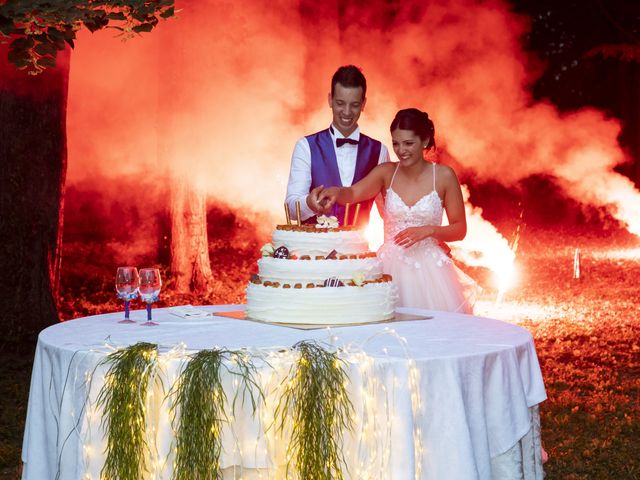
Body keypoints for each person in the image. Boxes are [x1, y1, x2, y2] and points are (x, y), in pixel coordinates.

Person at [319, 108, 477, 313]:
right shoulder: (386, 172)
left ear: (425, 140)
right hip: (389, 266)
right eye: (396, 143)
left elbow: (460, 229)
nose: (401, 150)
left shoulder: (444, 176)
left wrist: (429, 231)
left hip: (431, 273)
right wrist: (335, 192)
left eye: (408, 143)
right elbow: (352, 193)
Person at [285, 65, 390, 228]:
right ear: (330, 100)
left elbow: (389, 213)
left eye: (354, 105)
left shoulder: (380, 151)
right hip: (313, 250)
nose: (347, 112)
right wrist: (309, 203)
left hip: (358, 250)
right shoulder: (305, 146)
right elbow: (292, 210)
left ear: (363, 104)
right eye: (340, 103)